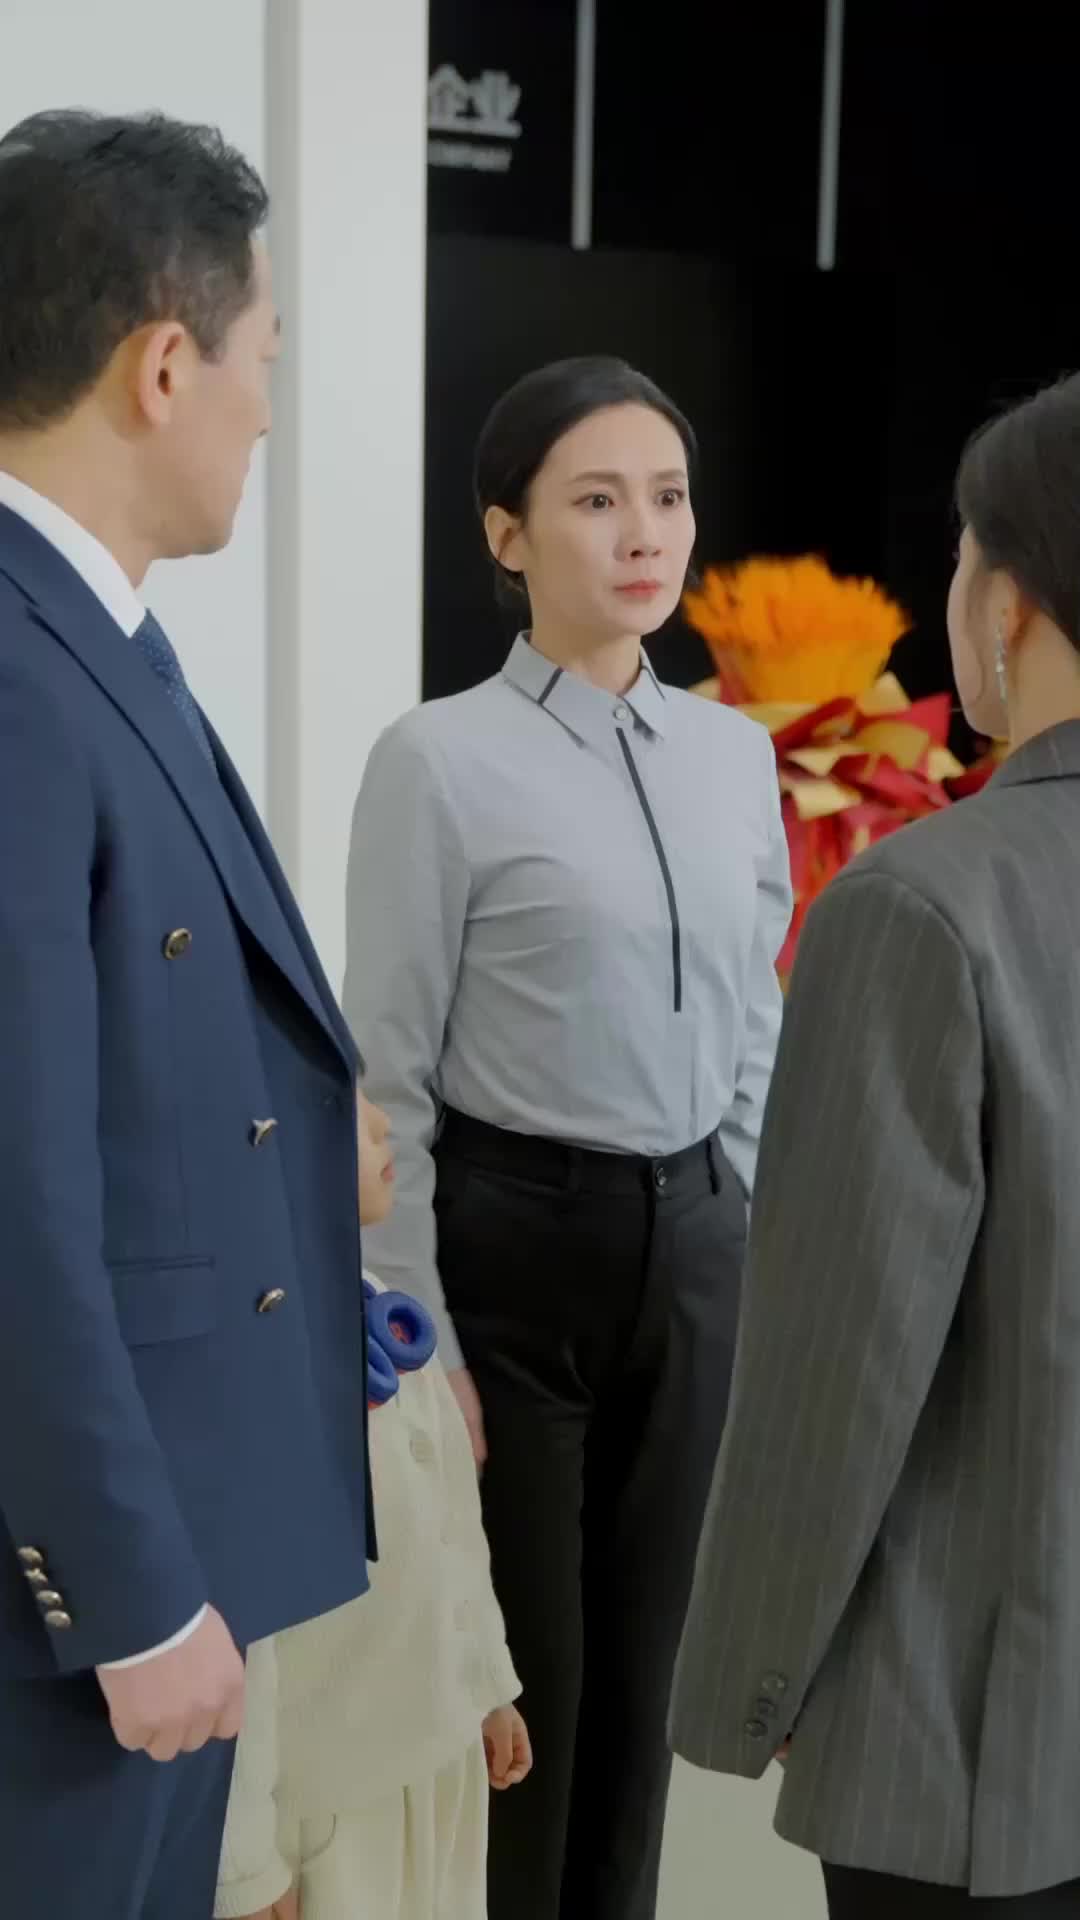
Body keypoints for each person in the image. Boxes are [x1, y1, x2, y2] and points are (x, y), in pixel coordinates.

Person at [344, 355, 792, 1920]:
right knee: (525, 1699)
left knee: (651, 1695)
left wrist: (740, 1211)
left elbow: (754, 1011)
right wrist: (421, 1332)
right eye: (596, 500)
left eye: (667, 497)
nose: (643, 533)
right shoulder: (437, 759)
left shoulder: (736, 757)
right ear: (506, 533)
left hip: (694, 1247)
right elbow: (388, 1072)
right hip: (511, 1256)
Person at [0, 111, 372, 1918]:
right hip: (72, 1610)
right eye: (264, 359)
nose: (268, 411)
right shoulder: (17, 670)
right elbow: (13, 1188)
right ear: (164, 365)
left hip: (161, 1538)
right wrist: (128, 1591)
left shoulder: (89, 641)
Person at [669, 369, 1080, 1916]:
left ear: (1008, 603)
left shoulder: (918, 909)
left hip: (975, 1742)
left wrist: (748, 1683)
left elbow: (835, 1366)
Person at [215, 1092, 532, 1920]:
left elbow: (455, 1531)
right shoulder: (254, 1365)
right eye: (349, 1101)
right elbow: (244, 1630)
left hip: (436, 1764)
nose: (383, 1122)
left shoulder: (390, 1319)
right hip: (327, 1801)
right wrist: (246, 1863)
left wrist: (487, 1682)